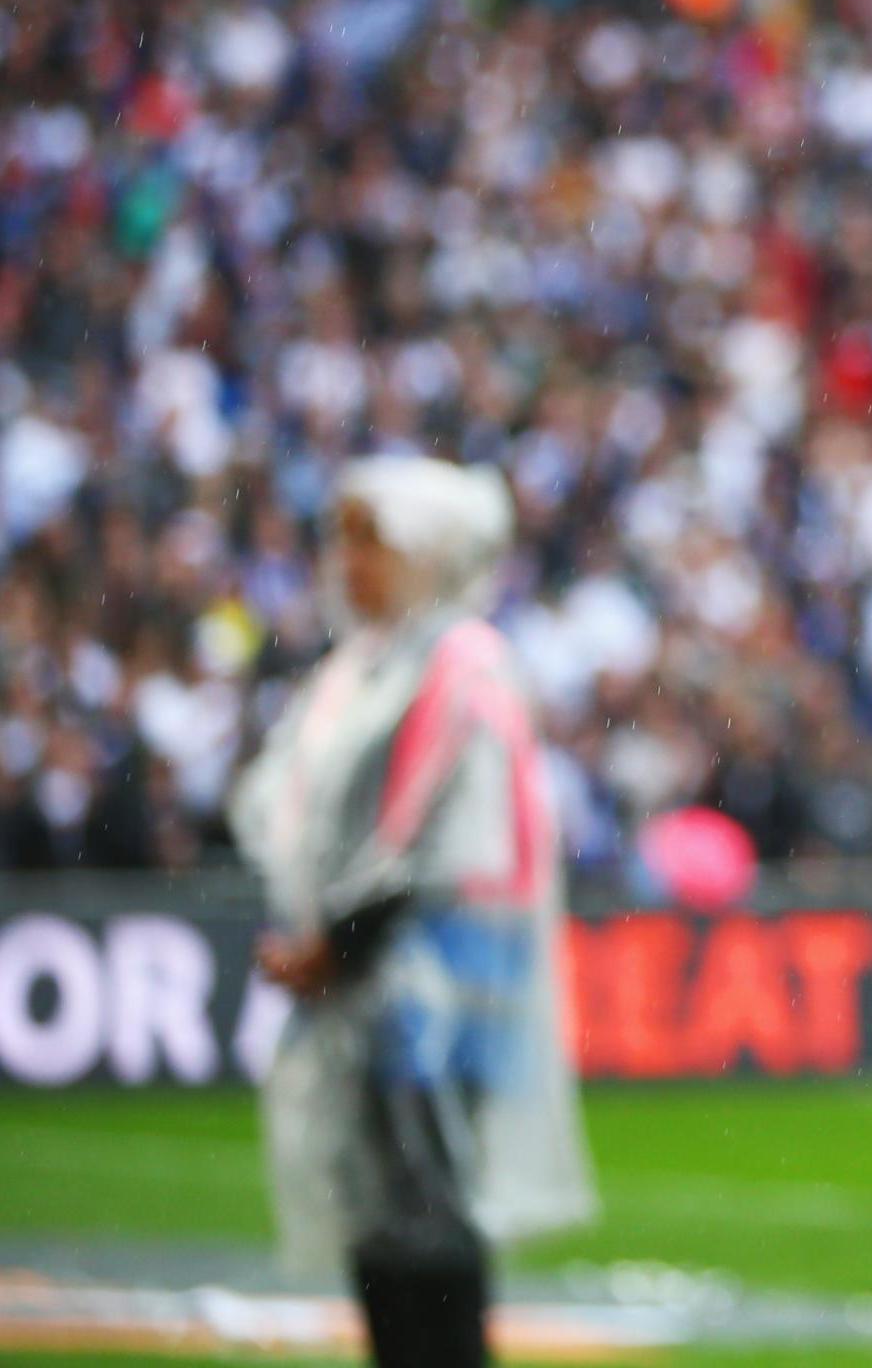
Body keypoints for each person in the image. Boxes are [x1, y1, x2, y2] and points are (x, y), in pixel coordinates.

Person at [230, 457, 594, 1368]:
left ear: (427, 554)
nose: (346, 561)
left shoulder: (459, 665)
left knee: (427, 1210)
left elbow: (437, 843)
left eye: (370, 539)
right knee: (378, 1214)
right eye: (341, 537)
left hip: (436, 977)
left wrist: (335, 943)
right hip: (369, 977)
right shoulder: (363, 665)